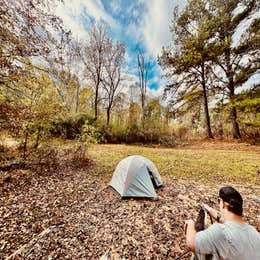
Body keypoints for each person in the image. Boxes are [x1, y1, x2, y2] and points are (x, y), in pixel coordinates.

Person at [185, 186, 260, 260]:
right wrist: (210, 210)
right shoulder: (255, 234)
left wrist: (191, 224)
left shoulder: (220, 231)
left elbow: (191, 244)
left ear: (222, 203)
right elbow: (229, 222)